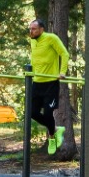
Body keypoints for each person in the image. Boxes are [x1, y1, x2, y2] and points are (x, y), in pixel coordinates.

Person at [27, 18, 69, 155]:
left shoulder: (51, 38)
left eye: (34, 29)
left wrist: (62, 72)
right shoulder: (33, 41)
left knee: (48, 113)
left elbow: (64, 53)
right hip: (37, 82)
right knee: (32, 112)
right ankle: (56, 129)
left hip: (50, 83)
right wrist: (30, 71)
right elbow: (36, 59)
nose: (31, 31)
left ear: (41, 29)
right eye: (30, 29)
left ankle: (51, 138)